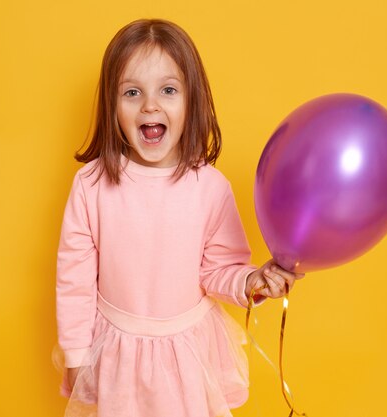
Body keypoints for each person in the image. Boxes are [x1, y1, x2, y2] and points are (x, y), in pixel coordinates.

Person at [56, 18, 304, 417]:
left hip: (185, 353)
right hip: (118, 350)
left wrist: (253, 280)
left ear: (192, 102)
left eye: (168, 90)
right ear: (111, 104)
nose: (150, 105)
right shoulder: (91, 185)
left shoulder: (210, 188)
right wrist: (76, 351)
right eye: (132, 92)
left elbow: (218, 270)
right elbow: (75, 278)